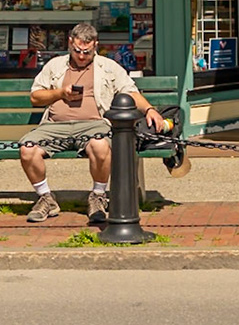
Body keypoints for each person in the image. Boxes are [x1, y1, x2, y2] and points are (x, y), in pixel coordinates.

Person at [20, 23, 169, 226]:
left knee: (100, 146)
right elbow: (35, 97)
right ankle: (46, 198)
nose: (82, 56)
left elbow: (130, 91)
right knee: (27, 149)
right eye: (77, 51)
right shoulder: (55, 65)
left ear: (95, 46)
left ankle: (98, 196)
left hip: (94, 124)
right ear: (70, 43)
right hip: (54, 125)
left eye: (87, 52)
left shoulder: (108, 67)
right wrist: (60, 93)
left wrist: (150, 110)